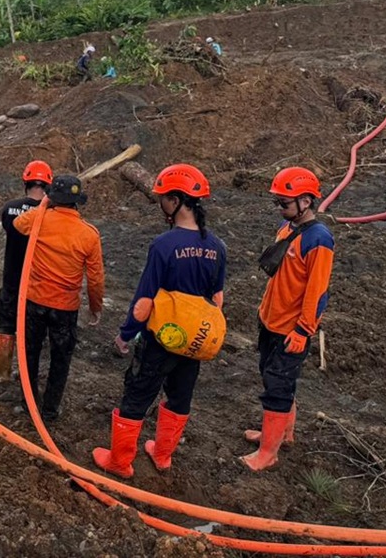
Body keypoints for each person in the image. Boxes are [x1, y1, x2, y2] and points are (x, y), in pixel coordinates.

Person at [92, 163, 225, 478]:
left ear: (176, 200)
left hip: (161, 339)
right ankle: (163, 455)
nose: (160, 203)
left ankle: (120, 462)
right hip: (193, 341)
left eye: (163, 197)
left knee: (138, 394)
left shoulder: (164, 246)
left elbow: (144, 300)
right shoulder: (217, 247)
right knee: (180, 395)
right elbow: (217, 299)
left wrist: (125, 334)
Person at [241, 167, 335, 472]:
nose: (279, 208)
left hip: (290, 330)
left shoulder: (319, 240)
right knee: (275, 379)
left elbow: (317, 292)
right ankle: (283, 433)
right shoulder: (288, 228)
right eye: (277, 202)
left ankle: (268, 453)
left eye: (284, 202)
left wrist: (303, 330)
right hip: (271, 322)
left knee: (278, 388)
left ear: (305, 201)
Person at [11, 174, 104, 420]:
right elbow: (95, 279)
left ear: (52, 197)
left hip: (35, 301)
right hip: (65, 308)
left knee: (29, 352)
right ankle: (50, 409)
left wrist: (43, 206)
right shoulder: (89, 234)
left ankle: (28, 402)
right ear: (77, 202)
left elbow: (18, 224)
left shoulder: (39, 220)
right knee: (61, 358)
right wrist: (95, 307)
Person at [0, 160, 53, 387]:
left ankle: (1, 372)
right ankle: (27, 375)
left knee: (6, 324)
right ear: (48, 184)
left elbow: (10, 229)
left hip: (12, 279)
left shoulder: (10, 208)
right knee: (32, 331)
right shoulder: (51, 213)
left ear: (26, 182)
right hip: (38, 283)